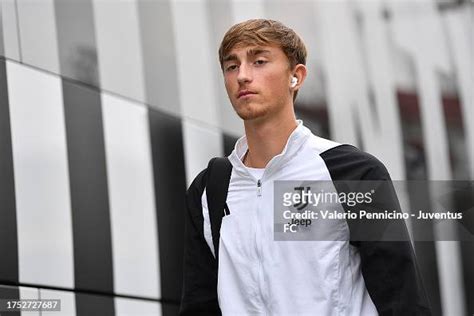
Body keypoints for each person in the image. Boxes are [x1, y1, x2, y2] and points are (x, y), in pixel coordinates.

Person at [180, 19, 431, 315]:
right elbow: (199, 305)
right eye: (231, 66)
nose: (243, 76)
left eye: (259, 61)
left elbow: (402, 299)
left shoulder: (353, 173)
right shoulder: (210, 188)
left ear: (295, 77)